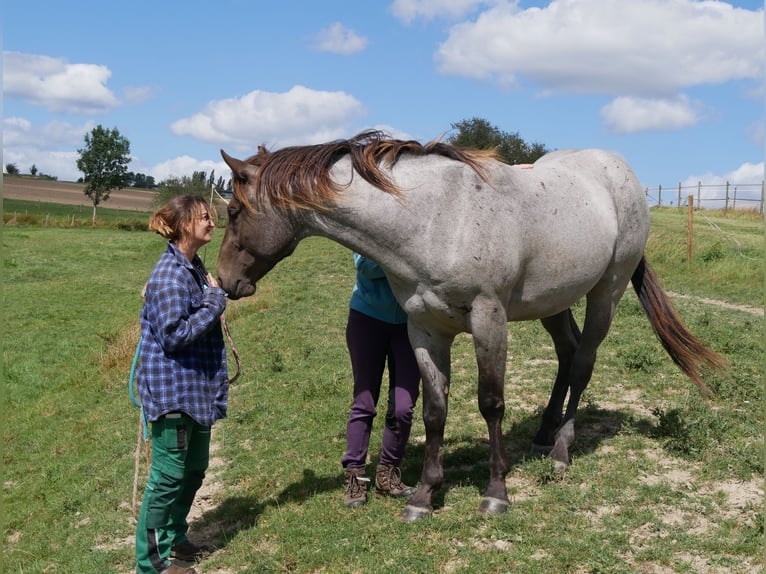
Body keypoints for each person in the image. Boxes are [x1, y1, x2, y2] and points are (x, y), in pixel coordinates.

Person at [135, 196, 229, 574]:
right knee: (168, 477)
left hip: (197, 391)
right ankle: (151, 564)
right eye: (204, 217)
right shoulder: (169, 275)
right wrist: (214, 302)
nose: (212, 221)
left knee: (194, 470)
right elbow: (174, 336)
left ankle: (175, 541)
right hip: (172, 393)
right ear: (184, 225)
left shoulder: (191, 267)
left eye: (212, 215)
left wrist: (209, 298)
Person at [341, 253, 421, 507]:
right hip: (367, 319)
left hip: (411, 323)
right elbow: (364, 265)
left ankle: (388, 471)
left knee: (403, 407)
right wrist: (407, 262)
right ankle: (355, 476)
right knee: (364, 403)